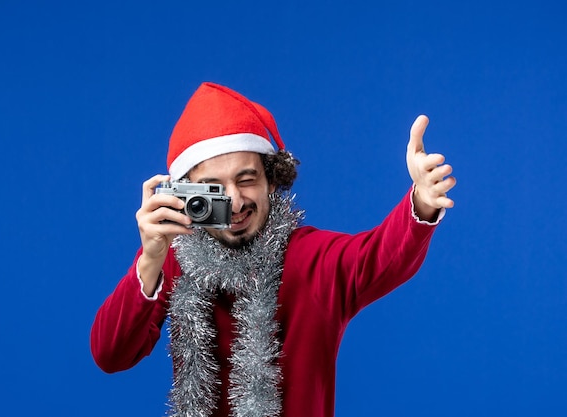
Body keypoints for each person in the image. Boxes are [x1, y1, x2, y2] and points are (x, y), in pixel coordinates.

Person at [90, 82, 456, 417]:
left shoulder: (314, 259)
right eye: (212, 189)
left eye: (246, 180)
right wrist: (150, 259)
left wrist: (421, 202)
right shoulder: (173, 258)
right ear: (185, 196)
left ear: (272, 179)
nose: (234, 202)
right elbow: (111, 354)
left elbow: (380, 256)